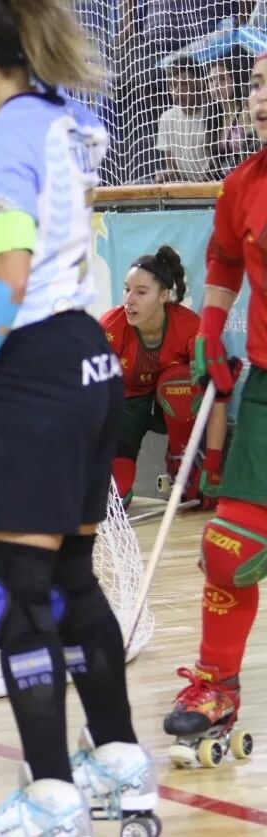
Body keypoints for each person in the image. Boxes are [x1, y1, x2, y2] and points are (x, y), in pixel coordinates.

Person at [0, 1, 157, 834]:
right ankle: (124, 764)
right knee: (69, 580)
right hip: (88, 361)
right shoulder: (62, 120)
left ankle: (53, 797)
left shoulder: (2, 137)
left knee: (19, 594)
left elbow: (12, 272)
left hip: (35, 369)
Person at [162, 50, 267, 769]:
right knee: (232, 545)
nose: (260, 95)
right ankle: (216, 688)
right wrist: (208, 332)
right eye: (257, 82)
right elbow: (227, 258)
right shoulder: (244, 185)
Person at [100, 246, 229, 509]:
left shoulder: (191, 328)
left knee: (178, 381)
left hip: (171, 407)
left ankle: (182, 459)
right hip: (125, 408)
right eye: (127, 289)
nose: (129, 300)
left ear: (164, 296)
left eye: (141, 292)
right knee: (112, 501)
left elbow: (217, 395)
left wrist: (213, 464)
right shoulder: (109, 329)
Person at [157, 56, 214, 182]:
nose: (177, 91)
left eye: (184, 84)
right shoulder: (166, 118)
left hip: (211, 185)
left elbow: (217, 162)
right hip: (184, 188)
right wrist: (167, 176)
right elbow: (171, 167)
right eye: (172, 85)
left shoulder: (213, 112)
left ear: (199, 84)